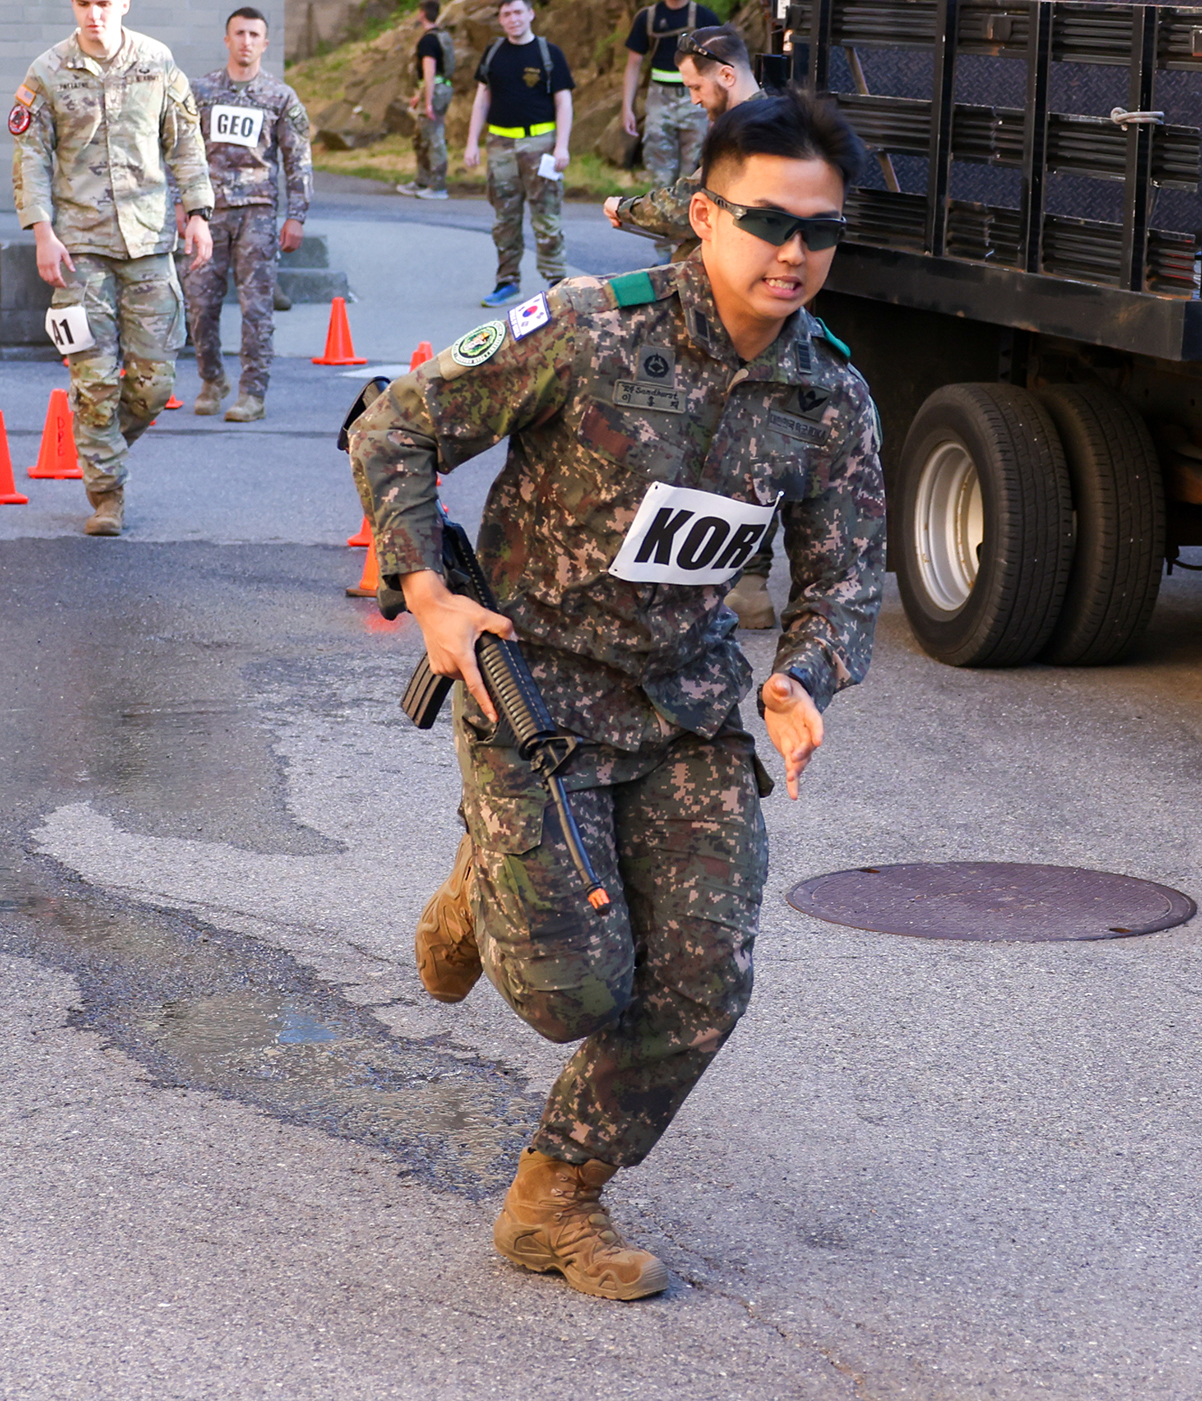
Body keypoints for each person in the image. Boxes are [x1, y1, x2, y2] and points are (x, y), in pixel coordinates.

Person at [348, 89, 881, 1302]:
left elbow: (847, 580)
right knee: (571, 992)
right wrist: (428, 595)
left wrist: (804, 678)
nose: (794, 251)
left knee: (703, 984)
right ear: (704, 215)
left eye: (821, 231)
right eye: (766, 221)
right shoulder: (589, 330)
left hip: (684, 710)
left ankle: (556, 1200)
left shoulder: (830, 399)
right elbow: (395, 429)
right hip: (529, 693)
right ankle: (485, 891)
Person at [11, 0, 213, 537]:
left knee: (153, 383)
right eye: (83, 3)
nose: (94, 13)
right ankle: (107, 495)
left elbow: (185, 140)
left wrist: (197, 213)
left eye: (104, 2)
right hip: (78, 249)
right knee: (94, 381)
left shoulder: (157, 60)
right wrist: (42, 233)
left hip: (147, 240)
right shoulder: (48, 70)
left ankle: (99, 445)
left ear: (122, 5)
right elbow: (31, 157)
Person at [603, 26, 781, 628]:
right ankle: (745, 585)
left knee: (717, 437)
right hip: (756, 308)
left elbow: (690, 203)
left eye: (696, 85)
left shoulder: (743, 130)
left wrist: (623, 211)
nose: (694, 98)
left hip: (729, 312)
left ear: (726, 75)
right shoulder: (785, 119)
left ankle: (729, 583)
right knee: (754, 438)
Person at [184, 6, 311, 424]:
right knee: (200, 303)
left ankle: (252, 393)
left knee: (256, 309)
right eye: (239, 33)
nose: (246, 42)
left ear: (265, 42)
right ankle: (212, 378)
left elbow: (298, 160)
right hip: (209, 214)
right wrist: (181, 206)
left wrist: (297, 214)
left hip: (257, 213)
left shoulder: (280, 97)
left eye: (255, 35)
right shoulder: (200, 92)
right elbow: (180, 153)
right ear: (227, 39)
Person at [463, 0, 572, 308]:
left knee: (546, 214)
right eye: (506, 14)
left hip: (541, 145)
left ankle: (556, 283)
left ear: (530, 14)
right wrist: (472, 142)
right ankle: (507, 282)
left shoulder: (549, 54)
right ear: (500, 18)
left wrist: (561, 145)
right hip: (500, 145)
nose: (512, 19)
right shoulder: (493, 53)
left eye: (517, 12)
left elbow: (564, 102)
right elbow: (481, 100)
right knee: (504, 218)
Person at [619, 0, 719, 260]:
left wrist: (718, 112)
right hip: (659, 97)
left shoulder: (704, 16)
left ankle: (688, 249)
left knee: (694, 175)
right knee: (660, 173)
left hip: (694, 98)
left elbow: (719, 65)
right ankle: (663, 251)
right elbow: (633, 63)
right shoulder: (648, 18)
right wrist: (626, 107)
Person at [396, 0, 454, 200]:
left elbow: (429, 73)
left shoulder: (428, 41)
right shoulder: (442, 36)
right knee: (421, 136)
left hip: (434, 91)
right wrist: (418, 96)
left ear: (422, 14)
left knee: (433, 137)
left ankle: (437, 185)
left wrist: (427, 101)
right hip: (440, 88)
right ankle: (422, 180)